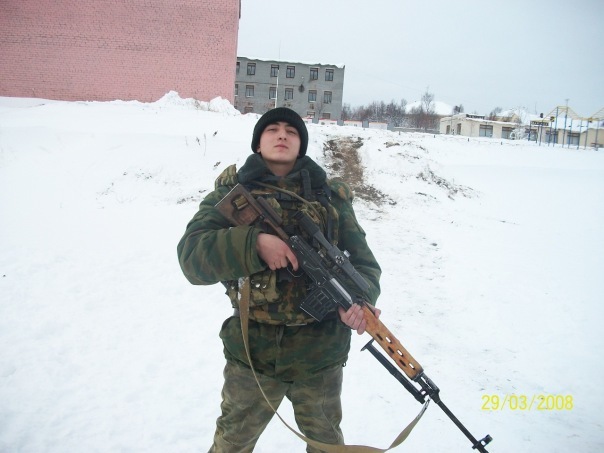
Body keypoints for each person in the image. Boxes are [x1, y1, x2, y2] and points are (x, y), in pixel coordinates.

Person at [177, 107, 381, 452]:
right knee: (231, 445)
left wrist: (360, 303)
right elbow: (191, 257)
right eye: (272, 129)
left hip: (320, 356)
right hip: (252, 355)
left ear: (301, 145)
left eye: (292, 131)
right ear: (258, 143)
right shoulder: (232, 195)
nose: (282, 135)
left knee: (327, 446)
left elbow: (363, 263)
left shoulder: (330, 198)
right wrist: (253, 244)